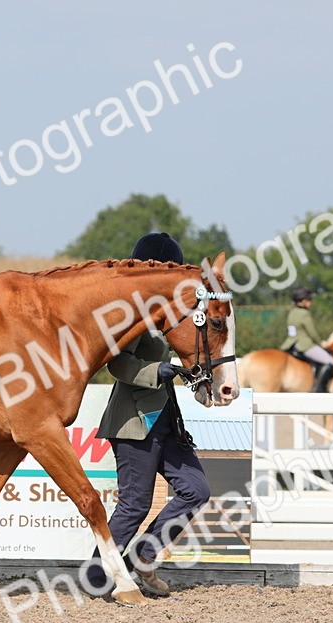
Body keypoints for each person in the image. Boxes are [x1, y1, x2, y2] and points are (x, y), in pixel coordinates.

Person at [86, 232, 211, 598]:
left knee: (196, 490)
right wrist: (155, 371)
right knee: (135, 504)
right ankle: (97, 577)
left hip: (167, 420)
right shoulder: (131, 313)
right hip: (133, 420)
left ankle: (144, 555)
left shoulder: (174, 312)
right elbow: (116, 363)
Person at [280, 286, 333, 393]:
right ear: (302, 301)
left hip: (290, 344)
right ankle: (319, 389)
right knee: (330, 361)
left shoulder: (292, 312)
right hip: (304, 345)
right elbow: (312, 333)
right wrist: (321, 343)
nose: (311, 302)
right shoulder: (304, 314)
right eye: (309, 299)